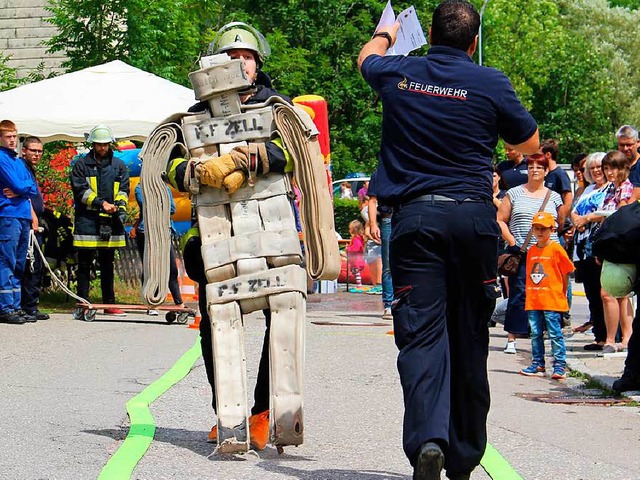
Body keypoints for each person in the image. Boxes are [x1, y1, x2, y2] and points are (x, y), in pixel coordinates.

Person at [357, 2, 539, 479]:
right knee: (469, 334)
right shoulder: (490, 81)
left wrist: (387, 33)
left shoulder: (399, 71)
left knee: (421, 336)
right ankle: (463, 454)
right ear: (473, 43)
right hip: (474, 222)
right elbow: (530, 143)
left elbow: (365, 59)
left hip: (417, 221)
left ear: (429, 34)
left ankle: (428, 442)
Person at [164, 22, 304, 450]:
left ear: (258, 63)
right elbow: (170, 165)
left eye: (247, 56)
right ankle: (227, 411)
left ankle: (264, 411)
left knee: (281, 318)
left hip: (271, 233)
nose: (240, 63)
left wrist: (255, 156)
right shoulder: (193, 119)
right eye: (232, 56)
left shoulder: (278, 110)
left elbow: (297, 154)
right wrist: (193, 171)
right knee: (216, 322)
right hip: (214, 241)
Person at [497, 153, 563, 354]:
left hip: (547, 254)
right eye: (531, 166)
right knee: (518, 294)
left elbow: (559, 223)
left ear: (546, 171)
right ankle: (512, 338)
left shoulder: (554, 196)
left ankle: (547, 336)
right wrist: (512, 241)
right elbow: (500, 219)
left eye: (539, 167)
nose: (535, 170)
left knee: (548, 296)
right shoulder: (514, 193)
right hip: (523, 252)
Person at [70, 124, 130, 316]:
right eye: (99, 145)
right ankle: (83, 304)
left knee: (107, 265)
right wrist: (101, 203)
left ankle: (109, 304)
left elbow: (124, 190)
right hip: (88, 221)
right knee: (85, 265)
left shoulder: (118, 166)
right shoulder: (81, 165)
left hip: (111, 223)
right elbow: (80, 191)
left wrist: (119, 208)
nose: (102, 148)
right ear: (92, 145)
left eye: (105, 144)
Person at [520, 211, 574, 380]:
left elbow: (566, 272)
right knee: (535, 333)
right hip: (534, 300)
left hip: (552, 300)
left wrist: (562, 293)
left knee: (555, 333)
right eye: (536, 228)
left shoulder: (556, 249)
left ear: (552, 229)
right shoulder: (531, 251)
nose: (540, 232)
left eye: (543, 229)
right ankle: (538, 363)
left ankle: (559, 365)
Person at [0, 120, 38, 324]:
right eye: (8, 137)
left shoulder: (17, 161)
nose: (12, 140)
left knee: (20, 263)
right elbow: (17, 184)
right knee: (7, 261)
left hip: (22, 214)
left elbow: (32, 187)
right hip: (8, 215)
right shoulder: (2, 158)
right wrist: (21, 188)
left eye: (14, 136)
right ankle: (5, 307)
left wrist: (20, 190)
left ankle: (16, 305)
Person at [571, 152, 609, 349]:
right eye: (592, 168)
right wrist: (578, 220)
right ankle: (599, 336)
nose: (596, 171)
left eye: (599, 167)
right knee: (591, 293)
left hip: (598, 245)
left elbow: (606, 212)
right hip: (582, 248)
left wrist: (586, 219)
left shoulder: (611, 189)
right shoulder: (587, 190)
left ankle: (610, 335)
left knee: (604, 292)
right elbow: (574, 210)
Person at [598, 151, 633, 353]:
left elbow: (622, 213)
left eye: (613, 168)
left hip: (623, 243)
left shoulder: (627, 188)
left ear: (623, 169)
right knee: (614, 292)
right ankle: (617, 338)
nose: (609, 172)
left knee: (613, 292)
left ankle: (618, 338)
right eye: (606, 168)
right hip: (611, 242)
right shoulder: (610, 189)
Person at [133, 183, 185, 315]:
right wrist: (161, 204)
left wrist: (157, 205)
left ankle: (179, 303)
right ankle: (151, 303)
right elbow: (147, 208)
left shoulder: (165, 187)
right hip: (146, 232)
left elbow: (172, 209)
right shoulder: (140, 188)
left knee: (171, 269)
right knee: (150, 268)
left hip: (164, 231)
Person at [20, 136, 50, 321]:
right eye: (33, 150)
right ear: (24, 150)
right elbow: (25, 197)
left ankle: (31, 305)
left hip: (36, 223)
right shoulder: (21, 168)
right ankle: (26, 306)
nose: (37, 154)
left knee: (35, 266)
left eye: (39, 151)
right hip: (29, 224)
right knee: (30, 266)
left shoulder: (30, 169)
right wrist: (34, 218)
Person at [367, 189, 393, 319]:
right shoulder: (381, 173)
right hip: (388, 218)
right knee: (388, 264)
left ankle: (406, 302)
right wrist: (372, 224)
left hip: (406, 216)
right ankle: (389, 304)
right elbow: (372, 201)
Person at [541, 139, 573, 218]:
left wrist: (559, 221)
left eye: (540, 155)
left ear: (548, 155)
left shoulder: (560, 174)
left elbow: (568, 202)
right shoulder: (546, 175)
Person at [617, 125, 640, 204]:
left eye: (629, 145)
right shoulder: (616, 166)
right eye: (621, 145)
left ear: (638, 143)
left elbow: (636, 196)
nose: (625, 149)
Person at [344, 219, 366, 288]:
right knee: (355, 272)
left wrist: (348, 249)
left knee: (357, 273)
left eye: (350, 229)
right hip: (357, 259)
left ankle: (359, 285)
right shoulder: (359, 238)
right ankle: (358, 285)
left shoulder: (356, 239)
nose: (349, 230)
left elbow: (356, 248)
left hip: (357, 260)